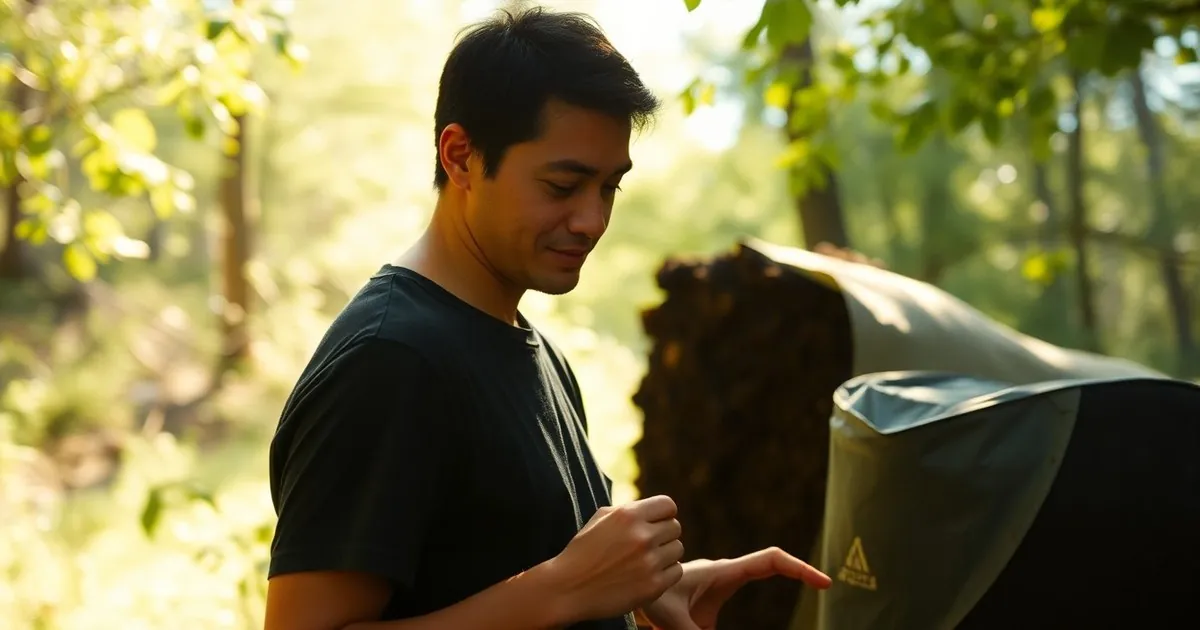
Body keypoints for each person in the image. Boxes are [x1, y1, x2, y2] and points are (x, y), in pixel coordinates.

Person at [262, 6, 831, 630]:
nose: (592, 220)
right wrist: (563, 589)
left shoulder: (528, 347)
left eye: (610, 187)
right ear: (460, 158)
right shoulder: (391, 361)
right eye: (563, 186)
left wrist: (639, 596)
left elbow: (516, 584)